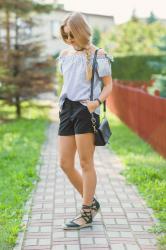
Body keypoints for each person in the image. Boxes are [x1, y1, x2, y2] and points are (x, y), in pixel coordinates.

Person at [57, 12, 113, 230]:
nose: (69, 40)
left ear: (81, 32)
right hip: (66, 109)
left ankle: (86, 212)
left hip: (85, 109)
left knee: (85, 163)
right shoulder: (64, 54)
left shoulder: (99, 54)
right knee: (64, 163)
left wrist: (95, 103)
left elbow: (109, 86)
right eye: (66, 36)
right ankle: (91, 202)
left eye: (72, 35)